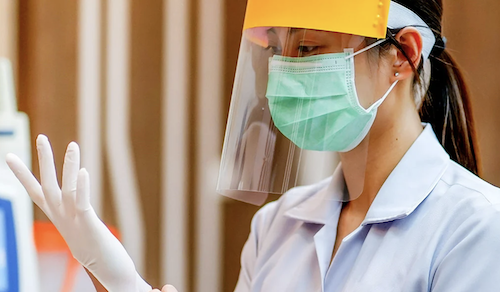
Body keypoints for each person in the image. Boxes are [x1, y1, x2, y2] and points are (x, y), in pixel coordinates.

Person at [5, 0, 500, 291]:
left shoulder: (474, 230)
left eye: (307, 49)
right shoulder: (278, 225)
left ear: (404, 55)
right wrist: (122, 282)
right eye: (276, 51)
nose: (284, 73)